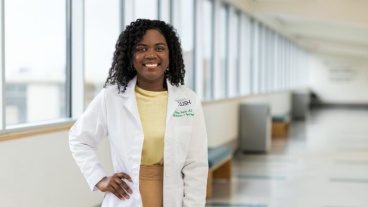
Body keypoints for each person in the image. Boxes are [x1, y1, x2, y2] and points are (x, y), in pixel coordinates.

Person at [69, 19, 208, 207]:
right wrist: (98, 178)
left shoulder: (188, 100)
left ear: (170, 54)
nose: (151, 55)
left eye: (159, 48)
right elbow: (79, 138)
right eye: (141, 49)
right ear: (130, 55)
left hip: (171, 197)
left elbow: (196, 165)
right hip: (126, 197)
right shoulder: (112, 97)